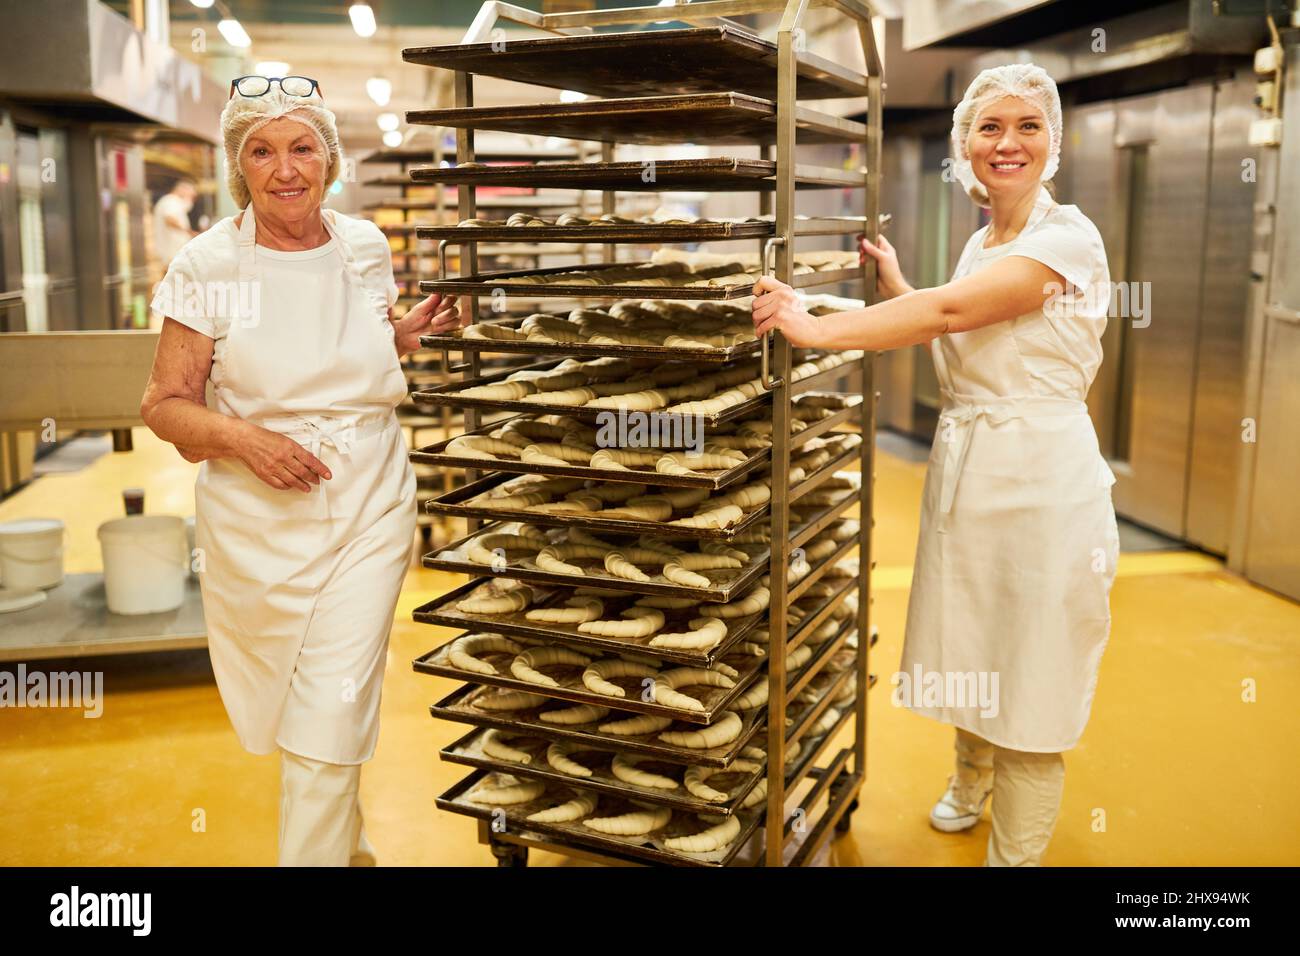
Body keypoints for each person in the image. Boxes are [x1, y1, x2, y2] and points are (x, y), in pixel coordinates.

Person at [751, 64, 1119, 866]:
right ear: (966, 145)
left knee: (1032, 667)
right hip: (974, 474)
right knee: (977, 642)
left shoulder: (1069, 236)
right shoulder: (984, 242)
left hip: (1040, 481)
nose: (1008, 142)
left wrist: (814, 330)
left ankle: (1014, 856)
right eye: (989, 127)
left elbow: (956, 311)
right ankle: (969, 781)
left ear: (1052, 141)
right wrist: (894, 288)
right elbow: (962, 323)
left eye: (1027, 125)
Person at [139, 78, 463, 866]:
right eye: (262, 151)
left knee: (329, 711)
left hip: (368, 505)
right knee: (299, 705)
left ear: (330, 158)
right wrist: (247, 440)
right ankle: (350, 853)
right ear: (237, 166)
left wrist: (402, 339)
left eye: (302, 147)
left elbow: (354, 351)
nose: (286, 170)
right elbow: (164, 406)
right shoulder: (207, 264)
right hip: (260, 526)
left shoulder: (363, 247)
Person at [152, 179, 198, 268]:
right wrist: (188, 231)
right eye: (190, 195)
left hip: (172, 252)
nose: (191, 199)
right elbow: (169, 219)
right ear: (182, 190)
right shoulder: (171, 201)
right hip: (172, 251)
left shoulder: (171, 201)